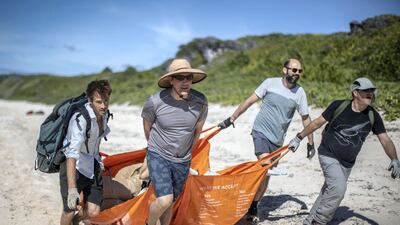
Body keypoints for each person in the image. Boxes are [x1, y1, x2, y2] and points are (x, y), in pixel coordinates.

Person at [288, 77, 400, 225]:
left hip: (347, 163)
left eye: (372, 91)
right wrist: (298, 138)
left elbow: (385, 140)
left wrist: (394, 159)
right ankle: (319, 221)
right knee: (338, 188)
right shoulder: (338, 106)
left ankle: (309, 222)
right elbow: (316, 123)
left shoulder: (373, 116)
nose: (370, 94)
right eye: (366, 91)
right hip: (328, 153)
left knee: (328, 191)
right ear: (355, 92)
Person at [218, 58, 315, 223]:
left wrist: (310, 143)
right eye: (294, 70)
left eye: (299, 71)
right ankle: (243, 199)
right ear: (285, 70)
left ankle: (254, 204)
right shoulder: (270, 83)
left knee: (265, 175)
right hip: (260, 131)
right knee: (265, 164)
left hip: (278, 140)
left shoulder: (300, 93)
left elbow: (306, 119)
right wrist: (232, 118)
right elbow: (249, 101)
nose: (297, 73)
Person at [141, 58, 208, 225]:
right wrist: (155, 150)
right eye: (180, 77)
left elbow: (197, 132)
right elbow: (147, 128)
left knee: (170, 201)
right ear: (171, 80)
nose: (185, 82)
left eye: (189, 77)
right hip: (158, 155)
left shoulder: (200, 102)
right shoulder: (155, 101)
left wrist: (186, 153)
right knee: (164, 200)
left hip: (182, 160)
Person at [60, 80, 112, 225]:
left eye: (106, 101)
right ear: (90, 101)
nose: (103, 106)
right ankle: (70, 219)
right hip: (73, 166)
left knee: (93, 211)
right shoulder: (80, 119)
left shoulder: (105, 115)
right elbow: (71, 154)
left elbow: (96, 141)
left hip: (93, 163)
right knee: (69, 211)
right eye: (99, 102)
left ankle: (76, 222)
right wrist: (72, 189)